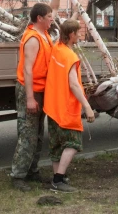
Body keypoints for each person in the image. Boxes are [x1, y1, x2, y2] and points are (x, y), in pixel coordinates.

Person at [10, 0, 64, 192]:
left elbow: (55, 6)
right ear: (39, 18)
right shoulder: (32, 38)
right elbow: (27, 70)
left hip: (42, 90)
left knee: (37, 134)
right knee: (28, 135)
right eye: (49, 17)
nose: (53, 19)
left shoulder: (44, 33)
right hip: (30, 91)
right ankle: (17, 176)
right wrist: (31, 97)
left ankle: (32, 172)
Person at [43, 20, 96, 193]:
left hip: (52, 106)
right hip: (66, 107)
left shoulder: (56, 49)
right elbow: (73, 84)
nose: (80, 35)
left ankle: (58, 176)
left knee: (57, 144)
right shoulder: (70, 57)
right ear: (72, 35)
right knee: (73, 143)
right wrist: (87, 106)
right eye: (78, 32)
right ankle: (58, 180)